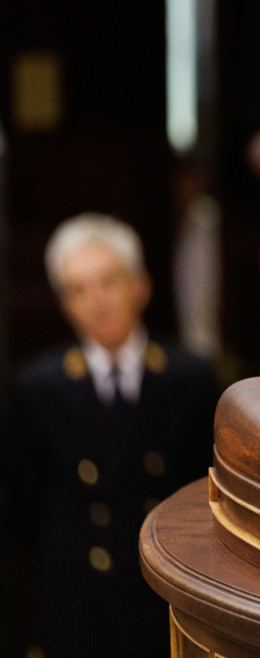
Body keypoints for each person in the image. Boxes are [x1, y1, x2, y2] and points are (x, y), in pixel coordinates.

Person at [6, 213, 218, 658]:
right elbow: (27, 502)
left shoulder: (191, 379)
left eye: (107, 282)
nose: (95, 301)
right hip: (76, 604)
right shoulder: (40, 387)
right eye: (78, 290)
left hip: (160, 598)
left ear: (141, 285)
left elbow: (204, 494)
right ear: (64, 303)